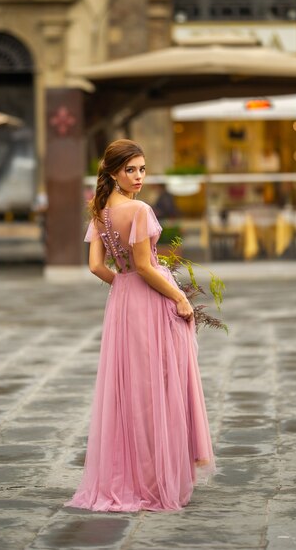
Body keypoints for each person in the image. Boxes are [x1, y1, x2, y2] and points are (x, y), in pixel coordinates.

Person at [65, 139, 215, 512]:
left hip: (123, 303)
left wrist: (125, 286)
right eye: (130, 169)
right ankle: (155, 480)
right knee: (156, 387)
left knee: (131, 389)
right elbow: (147, 266)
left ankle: (135, 476)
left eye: (142, 169)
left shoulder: (100, 212)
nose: (138, 176)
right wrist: (180, 298)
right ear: (114, 172)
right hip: (149, 300)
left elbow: (96, 267)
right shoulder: (140, 210)